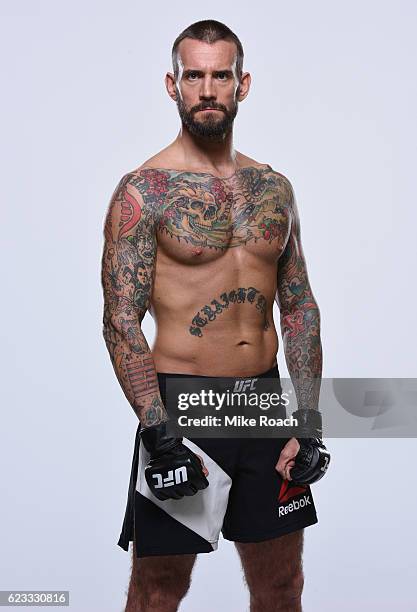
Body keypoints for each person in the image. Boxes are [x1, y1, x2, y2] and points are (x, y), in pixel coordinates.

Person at [101, 18, 329, 612]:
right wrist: (158, 431)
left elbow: (299, 305)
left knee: (283, 586)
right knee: (159, 587)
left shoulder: (274, 188)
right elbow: (120, 319)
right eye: (193, 75)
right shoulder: (144, 191)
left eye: (219, 75)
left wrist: (308, 419)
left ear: (242, 84)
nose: (207, 89)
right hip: (181, 405)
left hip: (262, 402)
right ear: (172, 85)